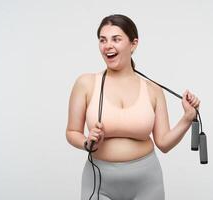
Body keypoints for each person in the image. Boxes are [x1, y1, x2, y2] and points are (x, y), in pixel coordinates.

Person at [66, 14, 200, 200]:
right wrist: (87, 143)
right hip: (98, 181)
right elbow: (72, 131)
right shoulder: (86, 83)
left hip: (147, 183)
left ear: (133, 44)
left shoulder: (153, 90)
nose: (107, 46)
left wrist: (187, 119)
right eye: (102, 40)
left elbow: (164, 144)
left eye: (116, 39)